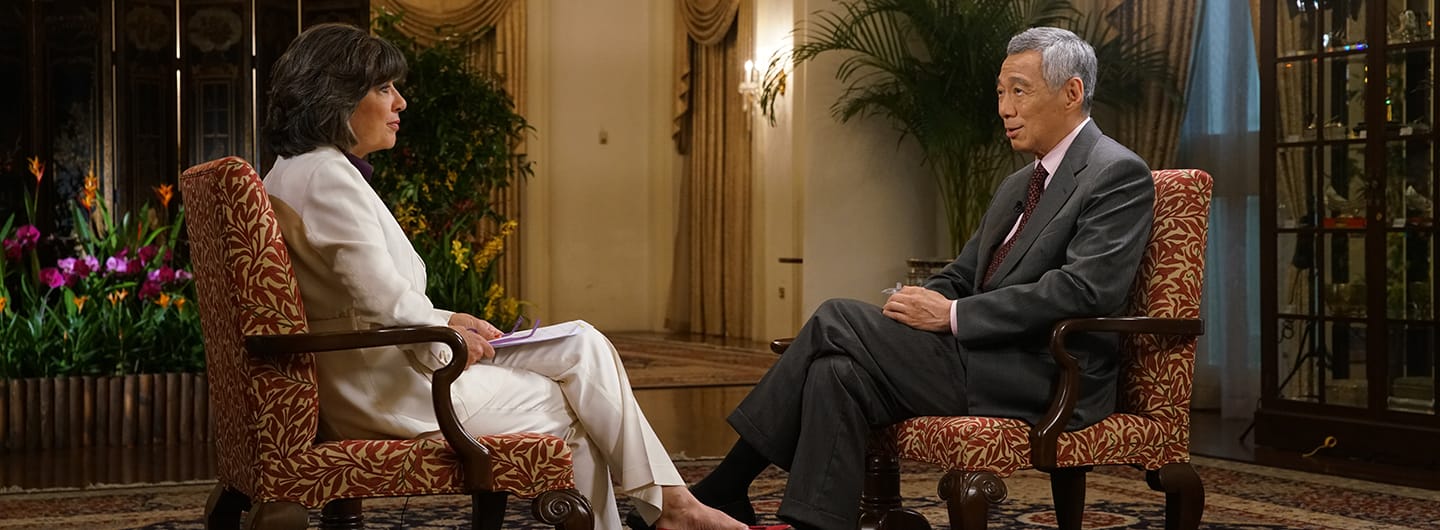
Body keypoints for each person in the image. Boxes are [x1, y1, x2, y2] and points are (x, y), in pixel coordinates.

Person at [259, 23, 749, 530]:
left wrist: (454, 319)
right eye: (383, 88)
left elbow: (361, 299)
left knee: (582, 344)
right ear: (335, 97)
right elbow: (383, 307)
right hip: (392, 392)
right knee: (576, 406)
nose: (400, 101)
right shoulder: (328, 178)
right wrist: (451, 343)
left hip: (381, 366)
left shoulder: (293, 172)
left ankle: (676, 509)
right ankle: (674, 511)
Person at [676, 27, 1156, 530]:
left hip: (1049, 372)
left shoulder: (1116, 173)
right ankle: (816, 523)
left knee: (836, 316)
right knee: (837, 370)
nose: (1004, 108)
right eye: (1000, 92)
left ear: (1072, 92)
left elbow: (1084, 291)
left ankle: (725, 486)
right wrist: (921, 302)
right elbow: (966, 272)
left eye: (1019, 90)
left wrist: (951, 315)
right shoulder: (1021, 182)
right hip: (983, 357)